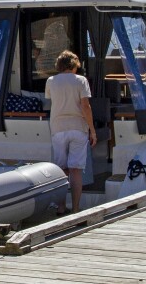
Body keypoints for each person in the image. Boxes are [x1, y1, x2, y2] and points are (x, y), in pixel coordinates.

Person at [46, 50, 96, 214]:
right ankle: (75, 209)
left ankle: (61, 207)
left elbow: (51, 102)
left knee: (61, 170)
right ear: (74, 65)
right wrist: (92, 130)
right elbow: (85, 107)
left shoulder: (51, 81)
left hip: (58, 128)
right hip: (78, 128)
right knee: (75, 170)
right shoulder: (81, 81)